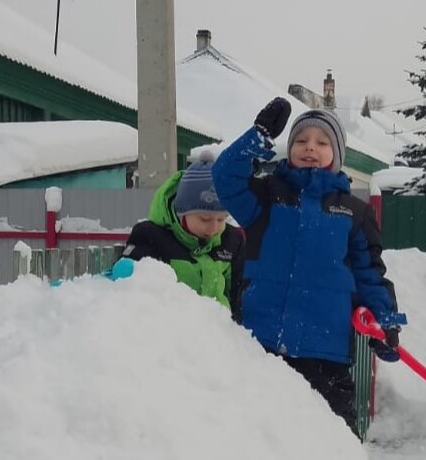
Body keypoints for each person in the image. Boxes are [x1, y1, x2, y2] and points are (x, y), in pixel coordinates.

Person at [211, 97, 406, 437]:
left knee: (334, 446)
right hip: (262, 348)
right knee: (256, 440)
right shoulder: (267, 198)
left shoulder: (355, 213)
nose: (309, 148)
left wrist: (385, 322)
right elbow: (225, 177)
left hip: (325, 356)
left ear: (337, 154)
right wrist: (258, 136)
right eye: (300, 141)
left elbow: (370, 274)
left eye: (321, 142)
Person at [122, 153, 244, 318]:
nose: (214, 227)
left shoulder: (231, 242)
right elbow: (132, 294)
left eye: (221, 219)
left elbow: (239, 294)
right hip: (174, 333)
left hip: (218, 335)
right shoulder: (152, 239)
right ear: (182, 212)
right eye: (204, 219)